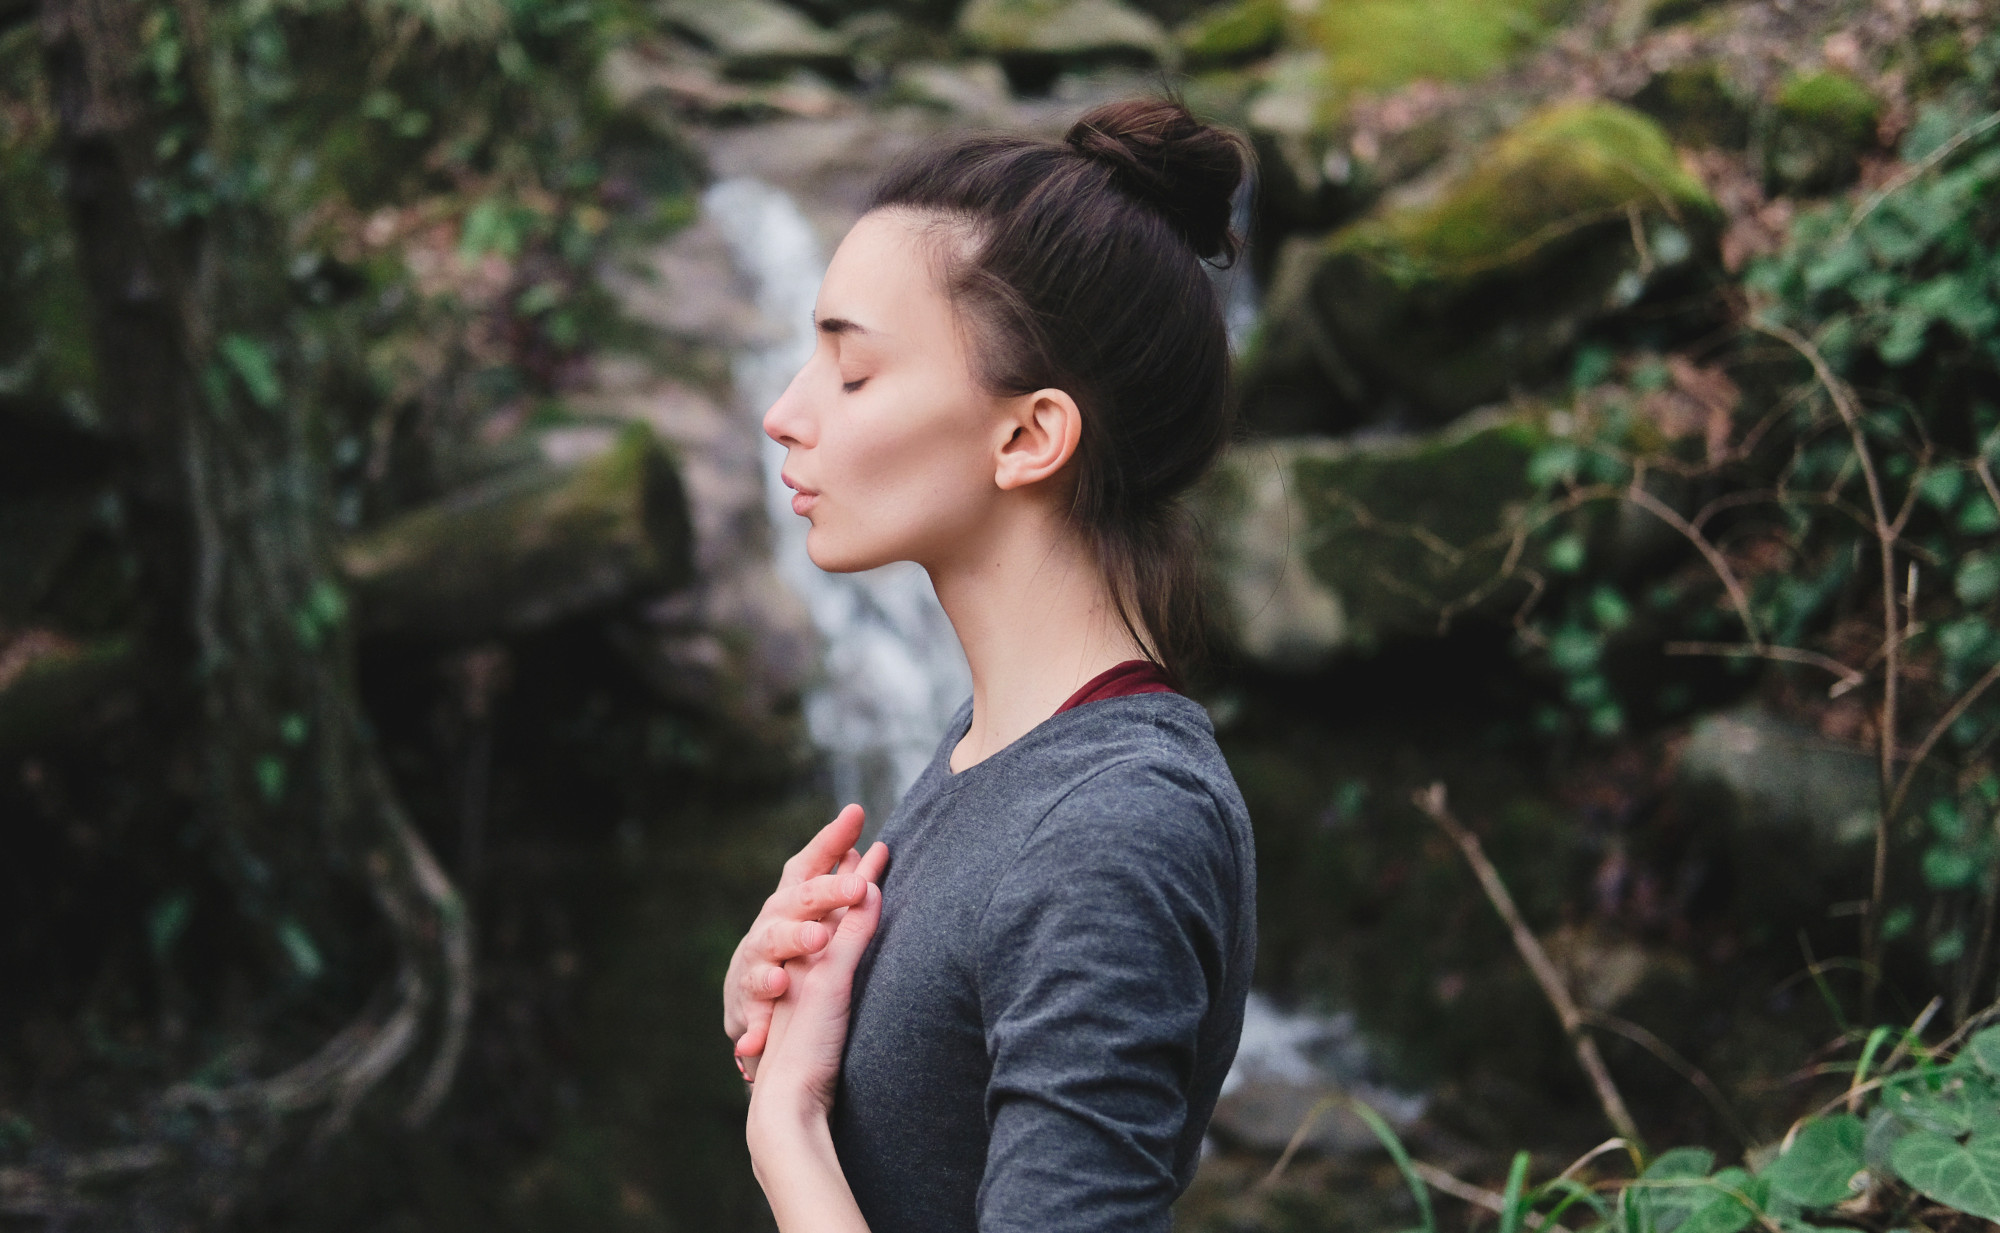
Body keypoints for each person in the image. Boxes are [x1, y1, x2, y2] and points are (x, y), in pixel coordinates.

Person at [720, 96, 1259, 1233]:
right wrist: (800, 1025)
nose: (782, 415)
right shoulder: (998, 750)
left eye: (851, 374)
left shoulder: (1113, 829)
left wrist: (787, 1133)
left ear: (1028, 437)